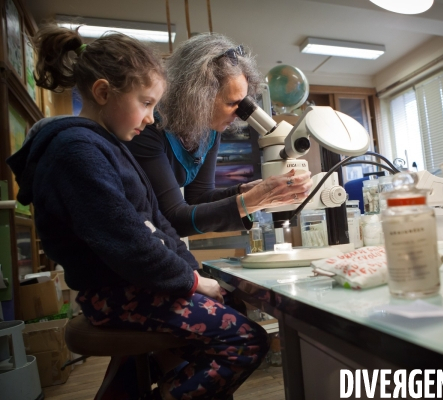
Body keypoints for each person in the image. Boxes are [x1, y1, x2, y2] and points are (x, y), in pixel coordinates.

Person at [7, 26, 269, 400]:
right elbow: (129, 240)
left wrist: (191, 271)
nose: (151, 118)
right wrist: (193, 282)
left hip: (130, 285)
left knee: (226, 304)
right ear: (102, 93)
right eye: (146, 103)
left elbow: (157, 223)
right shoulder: (76, 152)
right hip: (115, 294)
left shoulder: (108, 148)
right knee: (246, 340)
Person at [124, 33, 312, 236]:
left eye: (242, 102)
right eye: (231, 103)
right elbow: (174, 218)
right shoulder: (147, 128)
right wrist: (255, 199)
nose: (239, 113)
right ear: (197, 97)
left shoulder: (209, 130)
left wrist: (247, 191)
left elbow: (199, 197)